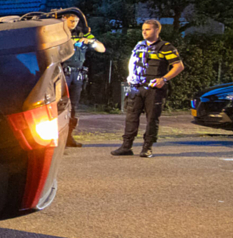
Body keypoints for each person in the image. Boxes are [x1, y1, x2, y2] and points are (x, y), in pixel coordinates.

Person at [111, 19, 184, 158]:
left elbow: (179, 66)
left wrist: (164, 79)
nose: (144, 32)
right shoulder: (139, 45)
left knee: (152, 119)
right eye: (143, 29)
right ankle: (126, 146)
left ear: (157, 30)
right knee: (131, 118)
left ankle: (147, 147)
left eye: (148, 29)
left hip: (154, 89)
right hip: (136, 87)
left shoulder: (166, 47)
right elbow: (133, 63)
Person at [61, 12, 105, 147]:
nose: (73, 24)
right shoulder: (60, 33)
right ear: (64, 19)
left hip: (77, 74)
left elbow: (101, 49)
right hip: (63, 73)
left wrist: (91, 41)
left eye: (76, 21)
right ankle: (57, 137)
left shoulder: (83, 33)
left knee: (73, 107)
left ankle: (69, 136)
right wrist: (74, 42)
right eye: (71, 21)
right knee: (60, 105)